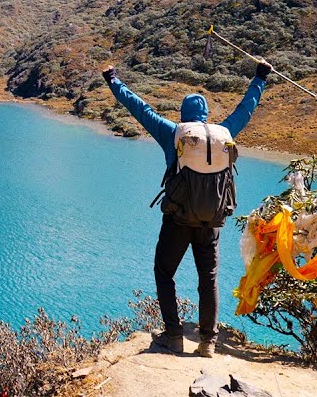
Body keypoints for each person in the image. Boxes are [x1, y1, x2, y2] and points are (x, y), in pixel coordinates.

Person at [101, 59, 271, 357]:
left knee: (164, 272)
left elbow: (140, 109)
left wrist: (113, 80)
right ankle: (207, 342)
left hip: (178, 219)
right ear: (205, 116)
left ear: (184, 115)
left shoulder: (174, 133)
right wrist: (260, 78)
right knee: (209, 277)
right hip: (212, 222)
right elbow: (247, 108)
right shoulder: (225, 132)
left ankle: (174, 335)